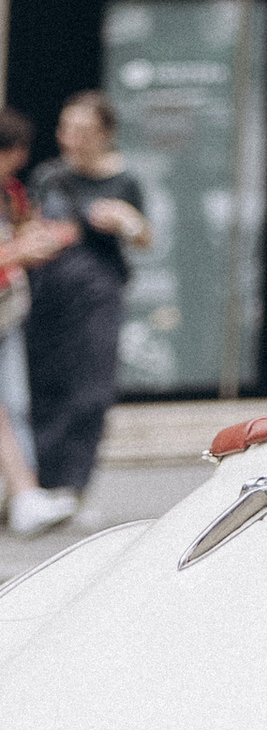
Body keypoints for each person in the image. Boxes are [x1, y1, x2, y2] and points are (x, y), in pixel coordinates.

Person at [25, 92, 151, 514]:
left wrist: (125, 220)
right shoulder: (48, 176)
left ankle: (74, 488)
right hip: (47, 294)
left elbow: (144, 238)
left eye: (82, 130)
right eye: (66, 128)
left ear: (105, 134)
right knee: (44, 384)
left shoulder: (124, 180)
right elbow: (32, 227)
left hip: (98, 296)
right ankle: (41, 485)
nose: (71, 139)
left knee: (91, 390)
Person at [1, 111, 80, 537]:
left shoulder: (11, 191)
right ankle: (23, 496)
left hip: (6, 309)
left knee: (12, 404)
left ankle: (23, 497)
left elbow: (26, 227)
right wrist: (19, 251)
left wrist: (48, 236)